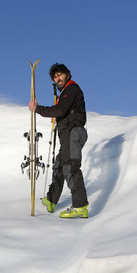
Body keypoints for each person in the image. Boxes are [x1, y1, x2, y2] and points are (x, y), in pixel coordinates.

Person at [29, 63, 89, 218]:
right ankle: (51, 200)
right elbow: (61, 110)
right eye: (55, 77)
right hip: (68, 134)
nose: (58, 78)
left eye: (60, 74)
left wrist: (38, 109)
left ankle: (80, 205)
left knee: (70, 166)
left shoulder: (71, 89)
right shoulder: (65, 93)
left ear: (68, 75)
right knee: (60, 166)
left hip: (73, 132)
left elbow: (61, 110)